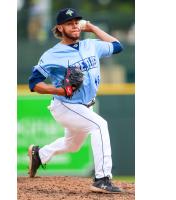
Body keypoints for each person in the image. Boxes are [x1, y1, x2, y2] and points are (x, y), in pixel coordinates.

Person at [28, 8, 123, 193]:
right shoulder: (51, 55)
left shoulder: (91, 45)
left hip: (85, 107)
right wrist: (60, 90)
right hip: (65, 105)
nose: (74, 26)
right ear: (60, 28)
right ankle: (102, 179)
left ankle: (39, 154)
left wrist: (92, 27)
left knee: (72, 145)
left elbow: (118, 46)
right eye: (69, 23)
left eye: (76, 22)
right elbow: (34, 83)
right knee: (99, 125)